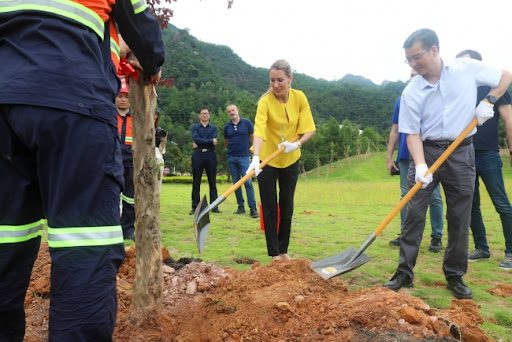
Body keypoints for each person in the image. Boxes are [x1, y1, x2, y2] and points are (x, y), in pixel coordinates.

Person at [0, 1, 165, 341]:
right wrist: (150, 61)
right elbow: (141, 27)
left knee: (4, 239)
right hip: (73, 102)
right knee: (84, 245)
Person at [382, 28, 512, 299]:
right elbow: (412, 133)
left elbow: (505, 76)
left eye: (416, 57)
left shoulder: (465, 68)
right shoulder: (411, 92)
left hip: (462, 152)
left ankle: (455, 275)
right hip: (427, 152)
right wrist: (419, 165)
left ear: (434, 50)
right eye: (408, 60)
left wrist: (489, 100)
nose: (413, 64)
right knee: (414, 214)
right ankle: (404, 272)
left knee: (459, 216)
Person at [246, 59, 316, 262]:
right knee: (269, 207)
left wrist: (298, 144)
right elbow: (259, 129)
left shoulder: (299, 97)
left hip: (290, 158)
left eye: (280, 80)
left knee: (287, 206)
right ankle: (274, 253)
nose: (275, 85)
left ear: (290, 78)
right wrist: (256, 156)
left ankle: (284, 249)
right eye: (272, 80)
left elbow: (309, 128)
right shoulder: (265, 102)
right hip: (267, 159)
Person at [455, 49, 512, 270]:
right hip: (464, 154)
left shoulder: (496, 88)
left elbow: (509, 121)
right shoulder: (461, 90)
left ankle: (510, 252)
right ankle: (482, 248)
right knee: (471, 205)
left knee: (501, 203)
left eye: (467, 63)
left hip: (488, 154)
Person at [386, 69, 444, 252]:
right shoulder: (402, 100)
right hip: (405, 155)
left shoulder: (435, 98)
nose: (414, 77)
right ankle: (405, 233)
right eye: (411, 75)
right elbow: (395, 130)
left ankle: (436, 237)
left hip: (429, 154)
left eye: (417, 74)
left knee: (434, 196)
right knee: (406, 196)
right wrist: (389, 157)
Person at [224, 104, 260, 218]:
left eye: (233, 110)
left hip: (244, 157)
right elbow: (226, 142)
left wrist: (248, 148)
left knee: (248, 183)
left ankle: (253, 209)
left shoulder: (247, 123)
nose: (231, 112)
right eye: (229, 111)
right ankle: (241, 207)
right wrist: (231, 150)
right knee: (236, 183)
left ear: (237, 110)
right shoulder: (227, 127)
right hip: (231, 157)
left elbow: (253, 138)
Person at [190, 106, 221, 215]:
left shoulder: (213, 128)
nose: (205, 115)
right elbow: (196, 139)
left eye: (206, 113)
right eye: (203, 113)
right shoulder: (195, 127)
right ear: (199, 115)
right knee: (196, 181)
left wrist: (202, 142)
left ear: (209, 115)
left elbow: (215, 141)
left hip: (210, 155)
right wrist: (210, 141)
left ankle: (214, 207)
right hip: (198, 154)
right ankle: (195, 207)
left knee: (212, 181)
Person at [117, 76, 136, 241]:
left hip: (131, 163)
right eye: (120, 96)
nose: (123, 99)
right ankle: (113, 228)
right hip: (112, 162)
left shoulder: (137, 118)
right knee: (110, 197)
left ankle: (128, 229)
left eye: (126, 96)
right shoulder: (108, 116)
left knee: (130, 197)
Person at [154, 107, 168, 191]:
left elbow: (162, 151)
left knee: (157, 184)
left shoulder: (158, 130)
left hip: (157, 157)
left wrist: (163, 141)